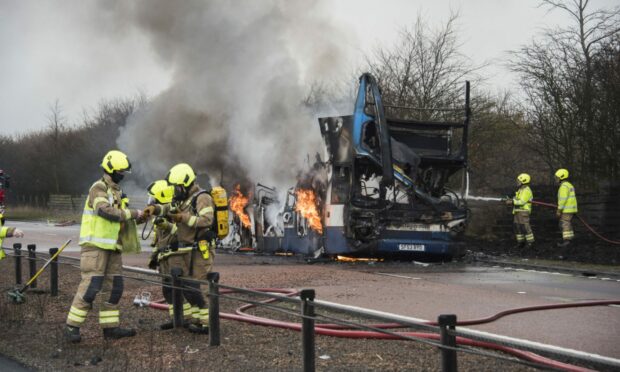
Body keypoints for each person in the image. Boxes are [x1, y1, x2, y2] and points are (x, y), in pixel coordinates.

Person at [64, 150, 143, 343]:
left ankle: (110, 329)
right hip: (95, 247)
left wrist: (142, 216)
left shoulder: (116, 192)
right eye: (121, 171)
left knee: (114, 288)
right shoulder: (98, 188)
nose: (123, 175)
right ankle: (72, 327)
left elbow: (121, 219)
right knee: (91, 286)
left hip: (113, 248)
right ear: (111, 169)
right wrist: (134, 213)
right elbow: (105, 212)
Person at [144, 163, 215, 334]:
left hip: (201, 250)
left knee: (201, 287)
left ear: (185, 183)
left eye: (177, 187)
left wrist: (182, 217)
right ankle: (197, 321)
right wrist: (155, 209)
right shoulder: (184, 200)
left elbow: (206, 220)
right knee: (190, 288)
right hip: (190, 251)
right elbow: (169, 208)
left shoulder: (202, 197)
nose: (175, 191)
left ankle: (209, 324)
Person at [146, 180, 193, 329]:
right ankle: (175, 319)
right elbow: (158, 240)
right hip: (164, 259)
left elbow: (181, 233)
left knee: (180, 289)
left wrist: (167, 225)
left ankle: (186, 319)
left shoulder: (176, 211)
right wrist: (154, 257)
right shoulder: (160, 215)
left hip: (176, 257)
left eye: (153, 198)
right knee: (167, 291)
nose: (151, 202)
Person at [506, 173, 535, 249]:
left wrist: (512, 202)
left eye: (519, 181)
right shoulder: (520, 190)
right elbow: (517, 199)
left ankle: (530, 242)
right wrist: (511, 199)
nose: (517, 182)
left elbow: (522, 201)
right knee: (517, 227)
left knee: (525, 227)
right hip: (517, 211)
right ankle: (520, 242)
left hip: (523, 212)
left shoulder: (526, 190)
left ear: (524, 181)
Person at [555, 168, 578, 247]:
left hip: (566, 209)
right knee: (568, 223)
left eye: (557, 178)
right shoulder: (569, 185)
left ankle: (566, 241)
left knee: (564, 223)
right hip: (571, 208)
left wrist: (559, 210)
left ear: (561, 177)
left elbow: (562, 200)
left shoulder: (563, 187)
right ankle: (570, 238)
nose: (556, 179)